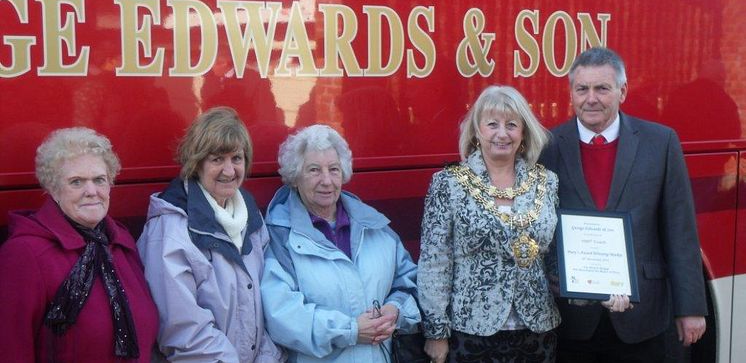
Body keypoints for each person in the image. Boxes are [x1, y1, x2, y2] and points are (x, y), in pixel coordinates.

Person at [540, 47, 708, 362]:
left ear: (623, 91)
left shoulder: (660, 142)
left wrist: (691, 308)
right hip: (572, 321)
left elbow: (680, 230)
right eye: (582, 89)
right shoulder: (546, 147)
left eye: (602, 88)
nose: (591, 98)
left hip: (643, 316)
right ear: (571, 94)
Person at [418, 85, 561, 363]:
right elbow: (435, 262)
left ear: (523, 132)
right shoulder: (448, 183)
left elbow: (555, 255)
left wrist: (591, 290)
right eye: (492, 124)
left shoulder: (547, 181)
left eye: (511, 125)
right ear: (477, 131)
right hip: (471, 332)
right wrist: (436, 333)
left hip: (537, 330)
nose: (502, 133)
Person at [261, 124, 421, 362]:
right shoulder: (280, 236)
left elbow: (410, 281)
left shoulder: (374, 225)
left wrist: (395, 311)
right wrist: (351, 330)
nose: (326, 180)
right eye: (314, 170)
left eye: (334, 169)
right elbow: (281, 314)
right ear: (295, 177)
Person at [137, 107, 284, 362]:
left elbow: (271, 303)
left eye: (236, 158)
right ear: (196, 163)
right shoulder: (171, 229)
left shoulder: (253, 217)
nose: (229, 171)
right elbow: (183, 333)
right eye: (217, 159)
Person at [0, 127, 158, 362]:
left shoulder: (120, 242)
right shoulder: (25, 254)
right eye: (76, 182)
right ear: (53, 189)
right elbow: (12, 349)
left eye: (99, 180)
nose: (91, 191)